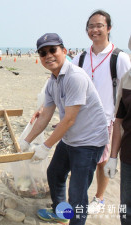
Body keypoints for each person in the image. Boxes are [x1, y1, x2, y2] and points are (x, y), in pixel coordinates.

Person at [19, 33, 108, 225]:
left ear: (64, 51)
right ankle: (61, 214)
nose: (48, 55)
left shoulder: (74, 77)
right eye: (43, 53)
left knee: (77, 192)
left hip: (89, 142)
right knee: (55, 174)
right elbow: (46, 115)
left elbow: (68, 120)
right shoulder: (52, 81)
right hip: (70, 139)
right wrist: (26, 140)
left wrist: (45, 146)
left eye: (53, 50)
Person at [72, 10, 131, 214]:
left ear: (109, 28)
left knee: (102, 161)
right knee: (82, 159)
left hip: (108, 119)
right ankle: (80, 197)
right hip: (80, 119)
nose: (94, 30)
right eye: (90, 26)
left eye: (99, 25)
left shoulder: (120, 58)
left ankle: (100, 197)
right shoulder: (80, 58)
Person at [104, 35, 131, 225]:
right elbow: (119, 121)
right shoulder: (127, 79)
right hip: (129, 155)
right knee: (127, 209)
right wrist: (112, 156)